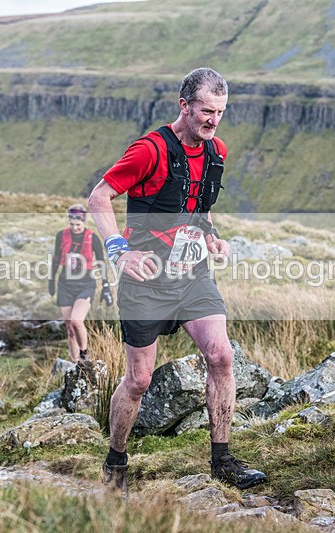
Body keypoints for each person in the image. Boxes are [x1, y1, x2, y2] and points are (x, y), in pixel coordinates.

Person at [88, 67, 266, 494]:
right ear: (184, 106)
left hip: (192, 275)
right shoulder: (149, 150)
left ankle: (222, 461)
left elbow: (199, 208)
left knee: (221, 356)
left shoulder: (216, 151)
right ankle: (116, 461)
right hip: (146, 281)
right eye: (206, 111)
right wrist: (119, 250)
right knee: (139, 380)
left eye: (220, 112)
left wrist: (212, 237)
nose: (214, 120)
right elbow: (98, 197)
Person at [48, 204, 113, 363]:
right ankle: (76, 363)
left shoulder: (93, 238)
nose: (75, 228)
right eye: (72, 224)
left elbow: (101, 263)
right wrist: (51, 280)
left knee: (76, 321)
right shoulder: (61, 235)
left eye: (78, 224)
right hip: (65, 285)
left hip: (85, 284)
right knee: (70, 328)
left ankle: (84, 354)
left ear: (83, 221)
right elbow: (56, 258)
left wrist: (106, 286)